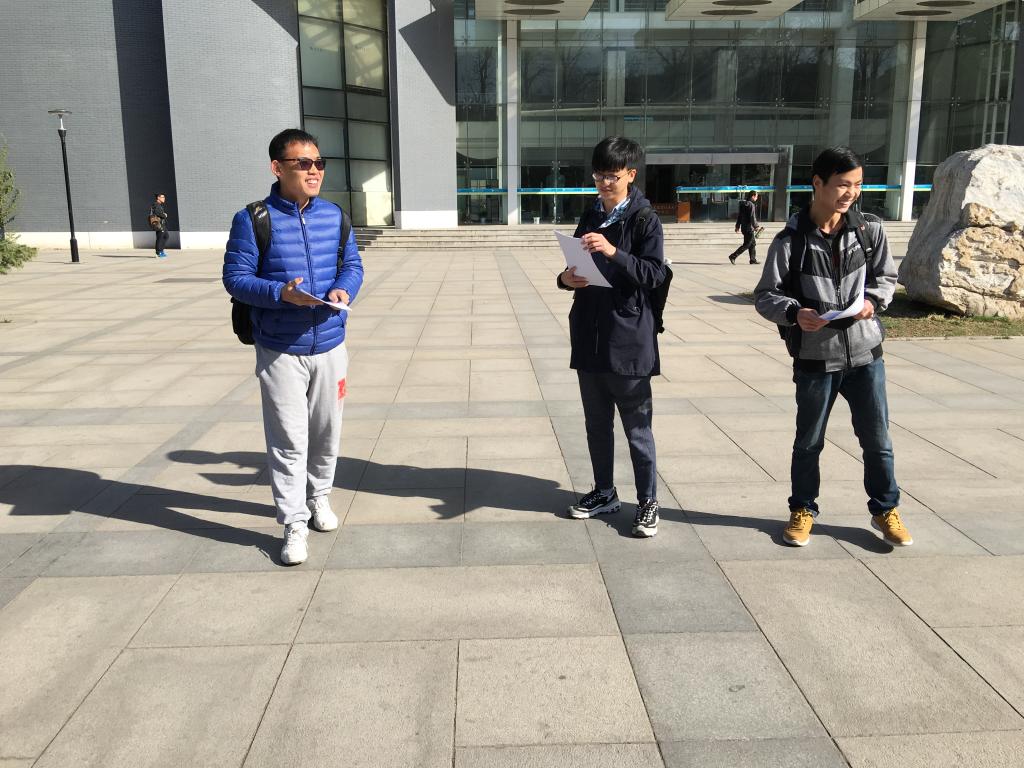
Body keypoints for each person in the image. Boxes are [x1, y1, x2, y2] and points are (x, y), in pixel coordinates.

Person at [753, 146, 912, 548]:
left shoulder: (869, 230)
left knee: (878, 440)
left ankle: (885, 509)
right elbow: (766, 295)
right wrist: (795, 313)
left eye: (857, 185)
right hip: (815, 358)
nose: (851, 193)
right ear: (818, 184)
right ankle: (803, 508)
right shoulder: (790, 240)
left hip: (865, 355)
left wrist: (872, 301)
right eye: (843, 184)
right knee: (808, 442)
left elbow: (886, 277)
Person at [223, 128, 364, 565]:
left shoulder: (334, 216)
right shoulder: (252, 219)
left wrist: (343, 290)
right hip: (280, 349)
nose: (314, 171)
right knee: (288, 439)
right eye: (303, 163)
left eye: (319, 163)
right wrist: (281, 294)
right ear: (277, 168)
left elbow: (352, 264)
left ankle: (319, 497)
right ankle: (293, 523)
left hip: (331, 344)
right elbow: (236, 278)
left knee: (326, 431)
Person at [557, 136, 667, 538]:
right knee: (596, 424)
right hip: (590, 333)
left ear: (630, 175)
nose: (605, 183)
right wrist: (565, 279)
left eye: (613, 177)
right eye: (599, 176)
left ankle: (648, 501)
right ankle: (604, 491)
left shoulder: (644, 219)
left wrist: (612, 251)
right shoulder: (590, 213)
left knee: (637, 428)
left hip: (628, 337)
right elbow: (574, 265)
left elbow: (654, 273)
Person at [728, 190, 761, 265]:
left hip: (744, 227)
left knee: (752, 244)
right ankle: (733, 256)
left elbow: (739, 216)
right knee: (747, 244)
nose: (757, 198)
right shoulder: (751, 205)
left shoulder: (743, 204)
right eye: (756, 196)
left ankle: (752, 259)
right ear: (752, 196)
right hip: (749, 228)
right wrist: (756, 226)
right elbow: (752, 217)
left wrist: (737, 226)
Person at [150, 193, 169, 258]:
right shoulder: (156, 204)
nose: (164, 199)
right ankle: (158, 252)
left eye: (164, 197)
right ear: (158, 198)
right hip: (159, 224)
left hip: (162, 224)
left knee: (166, 236)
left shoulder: (159, 205)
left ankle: (161, 250)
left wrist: (163, 215)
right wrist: (164, 215)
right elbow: (158, 213)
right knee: (160, 238)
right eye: (163, 197)